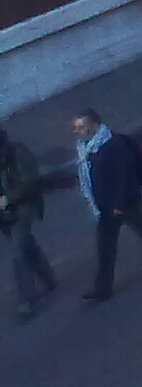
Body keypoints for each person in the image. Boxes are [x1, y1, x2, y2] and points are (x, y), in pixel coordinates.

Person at [73, 109, 142, 302]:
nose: (77, 131)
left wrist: (118, 204)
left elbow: (125, 176)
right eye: (75, 127)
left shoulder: (113, 145)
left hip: (123, 202)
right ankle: (103, 288)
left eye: (81, 126)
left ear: (94, 125)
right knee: (105, 246)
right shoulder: (87, 147)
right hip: (104, 205)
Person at [1, 124, 57, 322]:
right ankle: (48, 279)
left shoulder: (18, 153)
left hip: (25, 208)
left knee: (18, 253)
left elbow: (32, 183)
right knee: (27, 245)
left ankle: (28, 300)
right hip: (5, 214)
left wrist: (8, 198)